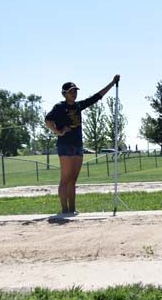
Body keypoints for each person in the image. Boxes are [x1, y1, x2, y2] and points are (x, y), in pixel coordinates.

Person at [44, 75, 120, 215]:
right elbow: (48, 120)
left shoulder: (78, 106)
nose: (74, 93)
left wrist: (112, 83)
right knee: (65, 179)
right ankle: (64, 210)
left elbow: (96, 97)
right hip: (65, 145)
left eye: (75, 91)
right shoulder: (60, 107)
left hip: (78, 145)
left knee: (73, 179)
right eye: (71, 91)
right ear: (65, 93)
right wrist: (58, 132)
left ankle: (72, 210)